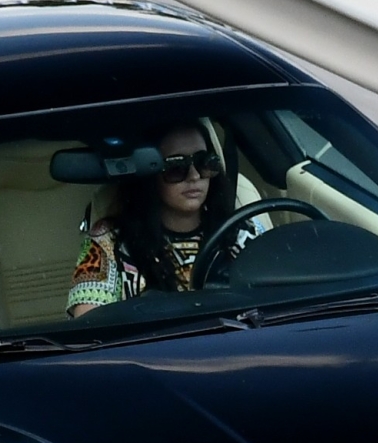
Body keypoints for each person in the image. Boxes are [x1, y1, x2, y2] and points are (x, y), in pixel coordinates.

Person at [65, 120, 264, 315]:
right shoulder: (108, 241)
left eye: (204, 162)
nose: (194, 176)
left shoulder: (243, 231)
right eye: (176, 167)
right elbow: (91, 324)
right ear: (150, 174)